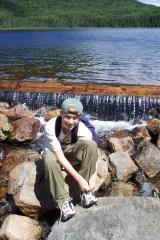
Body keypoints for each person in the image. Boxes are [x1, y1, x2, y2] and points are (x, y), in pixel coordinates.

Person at [43, 98, 98, 221]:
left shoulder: (84, 129)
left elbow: (95, 152)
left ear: (79, 118)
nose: (71, 122)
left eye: (75, 118)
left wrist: (93, 177)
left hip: (70, 152)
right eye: (67, 117)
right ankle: (63, 202)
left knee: (91, 145)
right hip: (54, 154)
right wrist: (80, 180)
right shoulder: (50, 126)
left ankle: (85, 192)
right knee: (48, 158)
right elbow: (60, 157)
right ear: (61, 114)